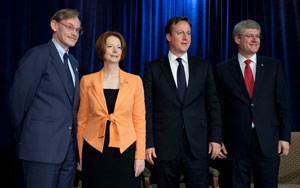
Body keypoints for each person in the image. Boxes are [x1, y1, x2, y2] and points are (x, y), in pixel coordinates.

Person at [143, 16, 222, 188]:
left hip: (197, 144)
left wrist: (216, 138)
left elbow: (213, 104)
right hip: (164, 145)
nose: (186, 37)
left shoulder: (203, 65)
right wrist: (148, 143)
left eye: (188, 33)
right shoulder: (153, 68)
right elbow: (147, 109)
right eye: (180, 33)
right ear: (168, 36)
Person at [10, 9, 82, 188]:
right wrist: (27, 136)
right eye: (70, 27)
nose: (74, 33)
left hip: (68, 153)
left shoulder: (73, 63)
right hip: (41, 149)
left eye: (78, 30)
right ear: (54, 25)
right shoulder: (38, 55)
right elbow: (18, 101)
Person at [215, 19, 291, 188]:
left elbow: (283, 105)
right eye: (250, 36)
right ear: (237, 39)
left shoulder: (273, 66)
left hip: (267, 141)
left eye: (257, 36)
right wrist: (217, 139)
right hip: (234, 144)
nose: (255, 40)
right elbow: (217, 109)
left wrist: (285, 138)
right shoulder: (222, 70)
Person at [77, 31, 146, 188]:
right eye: (110, 46)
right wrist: (80, 155)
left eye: (118, 47)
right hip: (94, 150)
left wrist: (140, 156)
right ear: (102, 49)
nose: (115, 50)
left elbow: (139, 121)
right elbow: (82, 120)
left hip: (125, 150)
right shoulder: (87, 81)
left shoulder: (135, 81)